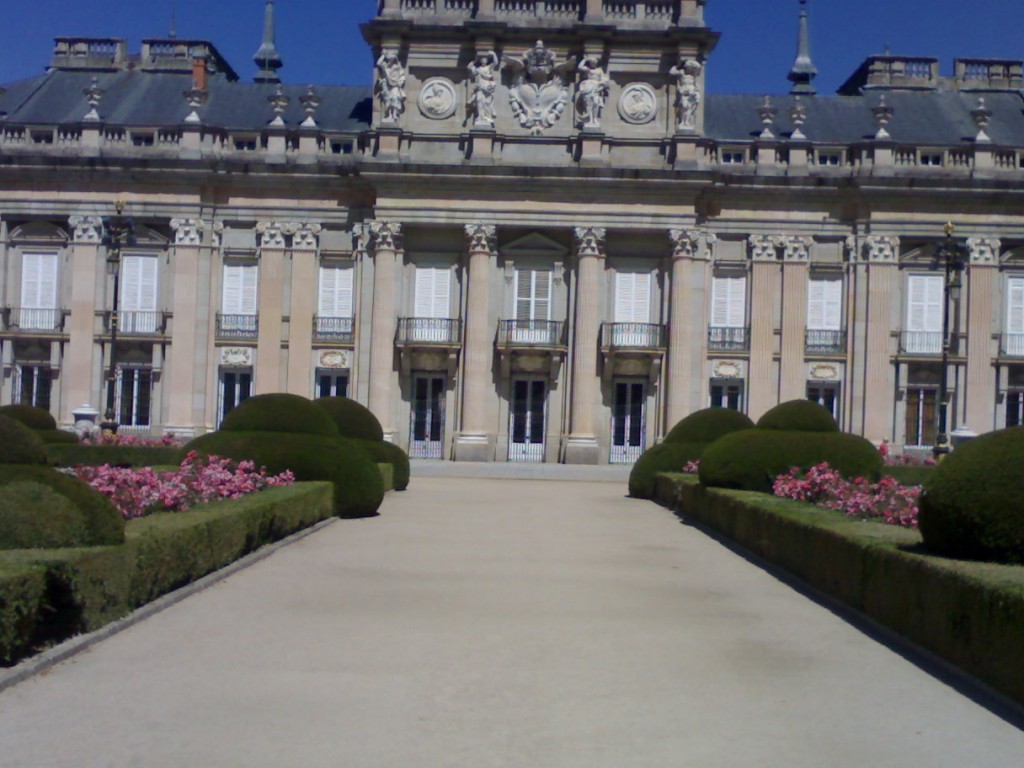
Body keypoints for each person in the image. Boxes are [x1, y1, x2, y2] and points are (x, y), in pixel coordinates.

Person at [577, 56, 610, 129]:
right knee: (588, 104)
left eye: (595, 63)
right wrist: (585, 59)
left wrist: (601, 83)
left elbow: (603, 80)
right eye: (592, 63)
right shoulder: (588, 70)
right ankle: (590, 119)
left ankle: (594, 118)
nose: (593, 64)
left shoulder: (599, 70)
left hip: (596, 87)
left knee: (596, 102)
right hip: (588, 87)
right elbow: (580, 67)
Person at [468, 50, 500, 127]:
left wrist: (493, 54)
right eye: (482, 59)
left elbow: (496, 62)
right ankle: (480, 117)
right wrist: (475, 60)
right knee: (479, 100)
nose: (483, 60)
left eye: (485, 59)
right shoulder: (478, 69)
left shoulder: (489, 67)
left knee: (487, 103)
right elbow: (469, 67)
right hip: (479, 88)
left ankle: (487, 116)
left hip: (487, 88)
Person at [376, 50, 406, 123]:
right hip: (387, 86)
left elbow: (402, 76)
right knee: (388, 101)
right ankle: (389, 115)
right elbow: (378, 63)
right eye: (390, 59)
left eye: (392, 59)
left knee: (395, 98)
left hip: (395, 85)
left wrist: (400, 82)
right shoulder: (385, 67)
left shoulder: (398, 68)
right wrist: (383, 55)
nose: (391, 61)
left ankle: (394, 115)